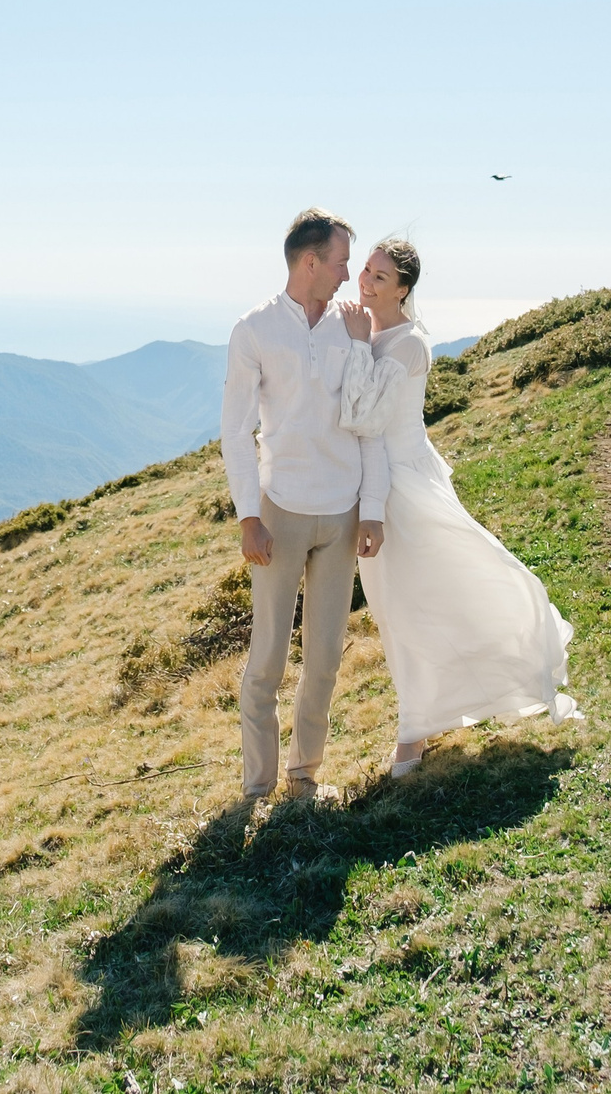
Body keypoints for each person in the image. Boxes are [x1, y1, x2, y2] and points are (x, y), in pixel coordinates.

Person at [337, 237, 582, 778]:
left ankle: (414, 734)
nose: (366, 282)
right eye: (367, 270)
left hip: (405, 490)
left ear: (403, 289)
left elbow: (364, 417)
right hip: (373, 487)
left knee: (420, 605)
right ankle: (422, 721)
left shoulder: (407, 345)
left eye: (381, 277)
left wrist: (355, 344)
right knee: (396, 610)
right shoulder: (366, 331)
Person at [220, 208, 389, 802]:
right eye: (341, 262)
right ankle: (257, 788)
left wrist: (373, 509)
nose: (349, 275)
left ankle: (303, 778)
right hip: (280, 511)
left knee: (324, 660)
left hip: (342, 513)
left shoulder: (354, 327)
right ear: (311, 262)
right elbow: (236, 431)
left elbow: (368, 421)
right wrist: (249, 517)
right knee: (266, 658)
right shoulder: (255, 330)